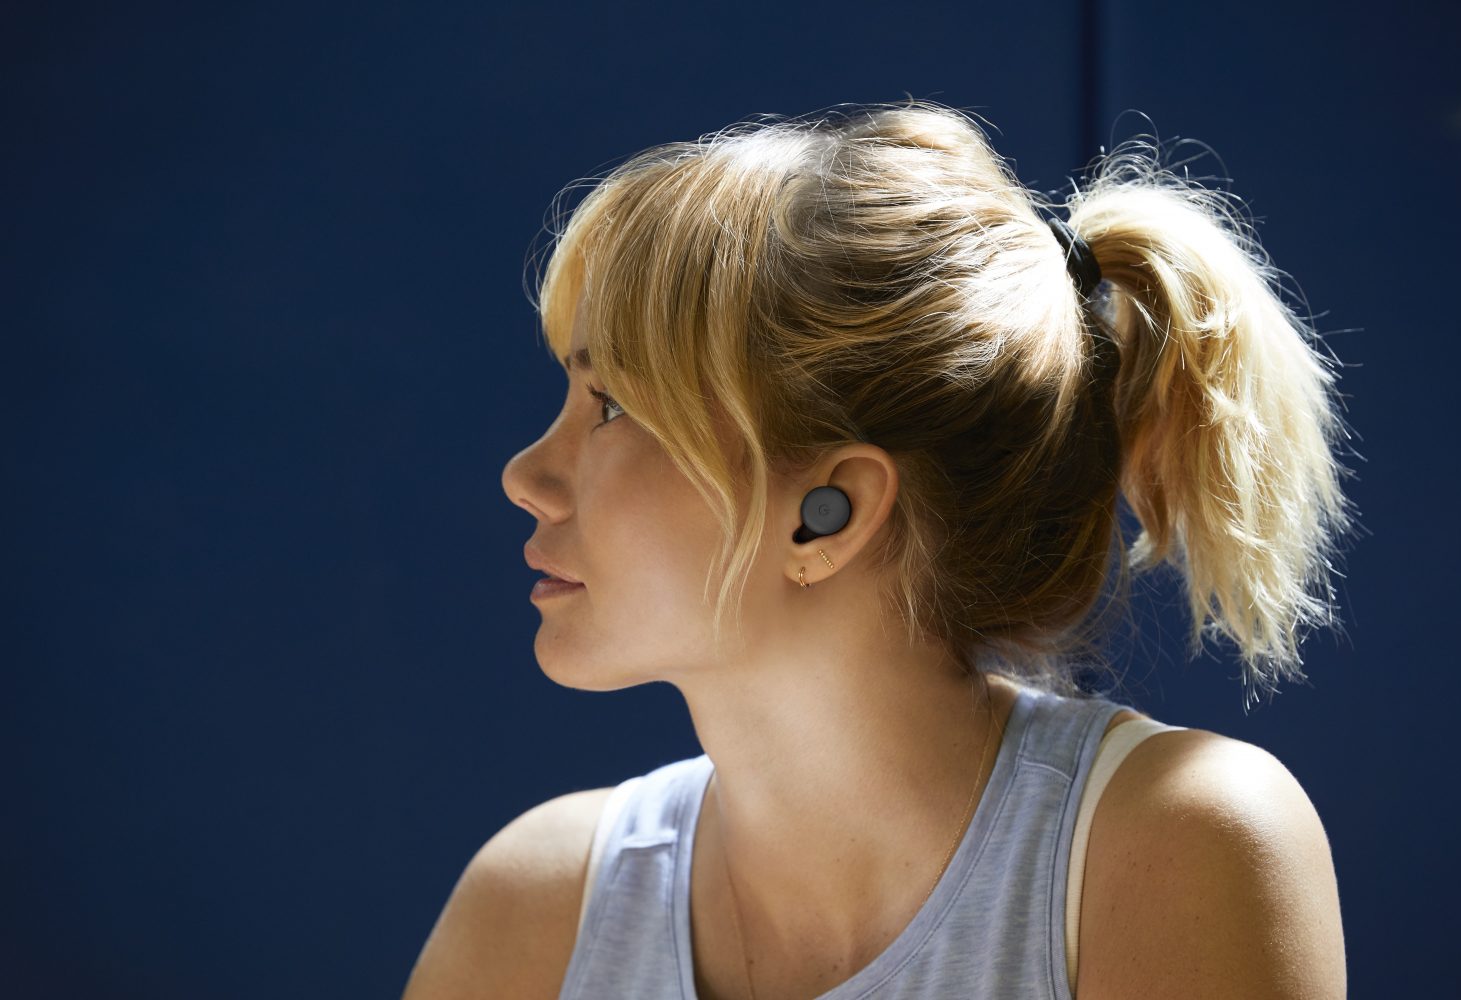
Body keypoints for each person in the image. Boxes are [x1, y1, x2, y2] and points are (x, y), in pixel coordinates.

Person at [403, 100, 1356, 999]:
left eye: (610, 405)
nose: (525, 475)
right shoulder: (531, 913)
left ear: (831, 512)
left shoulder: (1175, 846)